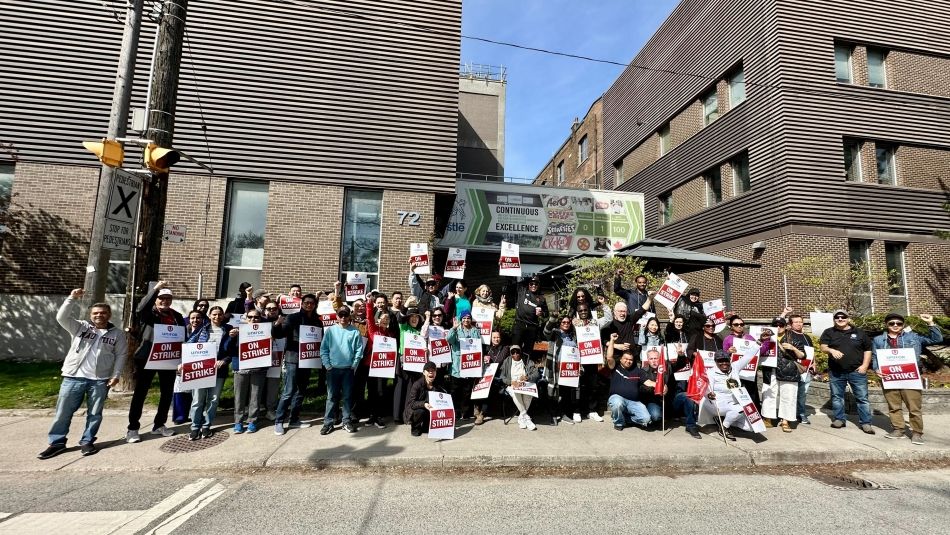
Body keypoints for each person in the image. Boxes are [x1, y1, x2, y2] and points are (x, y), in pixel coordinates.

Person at [38, 290, 127, 460]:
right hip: (73, 377)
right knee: (63, 412)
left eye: (103, 313)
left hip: (99, 381)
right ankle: (56, 443)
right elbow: (61, 317)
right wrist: (72, 298)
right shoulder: (80, 327)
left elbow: (121, 355)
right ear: (90, 315)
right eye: (95, 313)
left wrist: (116, 375)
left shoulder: (117, 334)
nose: (99, 315)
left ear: (109, 315)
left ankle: (87, 441)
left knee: (95, 413)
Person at [127, 281, 185, 443]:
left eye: (168, 298)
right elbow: (140, 308)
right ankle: (133, 428)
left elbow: (182, 337)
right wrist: (156, 289)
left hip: (169, 359)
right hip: (147, 358)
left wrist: (181, 359)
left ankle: (159, 425)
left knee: (166, 393)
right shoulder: (149, 314)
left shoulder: (177, 316)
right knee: (140, 393)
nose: (165, 301)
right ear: (156, 299)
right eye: (161, 298)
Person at [872, 312, 942, 445]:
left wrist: (931, 323)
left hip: (910, 377)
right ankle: (898, 429)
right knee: (893, 406)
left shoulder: (914, 336)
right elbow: (875, 356)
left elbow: (936, 339)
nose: (895, 325)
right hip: (889, 376)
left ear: (903, 325)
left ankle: (917, 433)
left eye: (898, 323)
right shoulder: (878, 340)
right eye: (892, 323)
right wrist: (876, 369)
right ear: (886, 325)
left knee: (914, 407)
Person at [272, 293, 323, 435]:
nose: (309, 305)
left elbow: (320, 339)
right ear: (302, 303)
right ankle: (279, 421)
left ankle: (294, 419)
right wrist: (276, 325)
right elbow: (280, 334)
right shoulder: (293, 318)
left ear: (315, 305)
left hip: (308, 359)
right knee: (288, 391)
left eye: (312, 303)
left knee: (301, 391)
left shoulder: (317, 321)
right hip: (293, 358)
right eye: (306, 302)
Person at [819, 309, 874, 434]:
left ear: (848, 318)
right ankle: (839, 419)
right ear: (834, 319)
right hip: (836, 371)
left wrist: (865, 365)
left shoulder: (859, 333)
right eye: (837, 317)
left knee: (862, 398)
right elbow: (823, 346)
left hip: (857, 371)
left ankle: (866, 423)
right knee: (837, 397)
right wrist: (831, 351)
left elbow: (868, 350)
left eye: (843, 317)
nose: (840, 319)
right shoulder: (829, 332)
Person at [186, 306, 234, 440]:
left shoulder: (229, 329)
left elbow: (232, 351)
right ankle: (195, 427)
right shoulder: (202, 329)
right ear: (209, 315)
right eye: (214, 314)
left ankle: (206, 426)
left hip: (219, 370)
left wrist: (224, 360)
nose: (217, 317)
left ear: (223, 315)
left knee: (213, 400)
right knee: (197, 400)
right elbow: (189, 345)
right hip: (201, 370)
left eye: (219, 314)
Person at [319, 307, 365, 435]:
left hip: (348, 370)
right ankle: (328, 423)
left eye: (345, 315)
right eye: (341, 315)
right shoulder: (331, 331)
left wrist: (354, 365)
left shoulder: (355, 331)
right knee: (332, 397)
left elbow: (358, 350)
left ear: (349, 316)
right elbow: (324, 349)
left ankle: (346, 421)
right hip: (332, 370)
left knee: (347, 397)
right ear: (337, 316)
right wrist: (327, 365)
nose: (343, 318)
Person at [699, 349, 756, 441]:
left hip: (733, 403)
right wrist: (709, 394)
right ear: (715, 362)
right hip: (716, 404)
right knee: (741, 409)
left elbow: (748, 357)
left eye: (726, 360)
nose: (724, 363)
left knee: (751, 428)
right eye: (720, 361)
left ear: (730, 360)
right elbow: (706, 389)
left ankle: (722, 420)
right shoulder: (711, 372)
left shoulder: (735, 367)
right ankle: (724, 427)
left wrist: (759, 342)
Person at [604, 333, 653, 431]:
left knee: (646, 419)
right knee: (617, 403)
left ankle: (625, 418)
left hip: (634, 402)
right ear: (621, 359)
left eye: (630, 359)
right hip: (617, 399)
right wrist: (612, 340)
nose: (628, 361)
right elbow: (609, 357)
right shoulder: (615, 367)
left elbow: (648, 382)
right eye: (626, 359)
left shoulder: (637, 371)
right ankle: (619, 422)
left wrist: (662, 385)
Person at [762, 318, 801, 433]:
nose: (778, 327)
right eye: (775, 325)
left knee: (788, 395)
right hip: (770, 370)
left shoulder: (793, 338)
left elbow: (802, 355)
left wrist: (793, 348)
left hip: (789, 370)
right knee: (768, 394)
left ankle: (786, 420)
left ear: (786, 326)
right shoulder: (766, 337)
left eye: (781, 325)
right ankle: (768, 418)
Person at [232, 309, 267, 434]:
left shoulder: (265, 331)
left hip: (258, 369)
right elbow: (228, 349)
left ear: (260, 319)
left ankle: (252, 421)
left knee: (255, 396)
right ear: (246, 318)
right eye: (250, 317)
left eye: (256, 317)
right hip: (241, 369)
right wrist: (232, 338)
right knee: (239, 397)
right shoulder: (237, 331)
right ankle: (238, 422)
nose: (253, 319)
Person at [446, 312, 481, 421]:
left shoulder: (475, 330)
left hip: (469, 365)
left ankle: (465, 413)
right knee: (455, 391)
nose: (466, 320)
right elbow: (449, 340)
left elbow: (478, 346)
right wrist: (453, 328)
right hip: (457, 364)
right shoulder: (457, 329)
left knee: (466, 391)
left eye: (468, 318)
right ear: (461, 319)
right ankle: (455, 412)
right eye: (464, 318)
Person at [544, 314, 579, 424]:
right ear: (559, 323)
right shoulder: (555, 333)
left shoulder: (573, 335)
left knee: (565, 393)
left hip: (569, 369)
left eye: (568, 322)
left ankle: (564, 414)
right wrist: (552, 318)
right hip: (555, 367)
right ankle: (553, 415)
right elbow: (546, 331)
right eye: (563, 322)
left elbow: (578, 351)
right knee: (553, 392)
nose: (566, 324)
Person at [722, 314, 761, 412]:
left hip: (750, 369)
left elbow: (759, 350)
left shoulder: (750, 337)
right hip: (736, 370)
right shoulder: (728, 339)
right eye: (736, 324)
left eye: (741, 324)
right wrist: (728, 352)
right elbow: (723, 357)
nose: (739, 326)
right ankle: (739, 415)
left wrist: (766, 340)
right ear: (731, 326)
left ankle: (754, 414)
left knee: (752, 392)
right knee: (737, 392)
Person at [499, 345, 541, 430]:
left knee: (529, 394)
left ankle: (521, 418)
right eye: (513, 352)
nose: (515, 354)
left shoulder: (527, 361)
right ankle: (526, 417)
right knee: (516, 392)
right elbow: (502, 376)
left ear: (520, 352)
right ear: (510, 354)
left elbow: (536, 374)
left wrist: (527, 378)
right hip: (512, 385)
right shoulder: (507, 361)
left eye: (517, 352)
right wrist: (511, 382)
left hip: (525, 384)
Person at [508, 276, 547, 358]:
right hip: (519, 324)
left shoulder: (541, 298)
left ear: (538, 285)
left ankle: (525, 368)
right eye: (531, 283)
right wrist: (530, 278)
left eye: (536, 284)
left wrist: (541, 313)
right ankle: (513, 368)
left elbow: (546, 314)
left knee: (528, 351)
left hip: (532, 327)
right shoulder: (522, 291)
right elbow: (518, 282)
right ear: (528, 284)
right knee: (515, 349)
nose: (533, 285)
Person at [404, 362, 447, 437]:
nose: (431, 372)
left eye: (433, 370)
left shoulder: (438, 384)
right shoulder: (417, 384)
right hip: (416, 409)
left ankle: (426, 427)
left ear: (436, 373)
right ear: (424, 372)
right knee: (420, 411)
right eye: (428, 370)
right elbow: (411, 403)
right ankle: (415, 428)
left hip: (430, 409)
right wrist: (424, 404)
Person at [260, 301, 284, 421]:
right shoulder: (259, 322)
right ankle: (256, 409)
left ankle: (270, 409)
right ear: (264, 311)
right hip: (259, 358)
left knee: (273, 385)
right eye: (268, 308)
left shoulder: (284, 322)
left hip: (277, 357)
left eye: (274, 308)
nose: (272, 310)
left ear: (278, 310)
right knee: (258, 385)